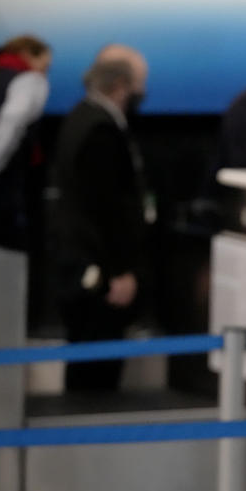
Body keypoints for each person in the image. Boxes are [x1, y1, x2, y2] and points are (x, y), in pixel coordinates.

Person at [51, 44, 151, 391]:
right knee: (96, 369)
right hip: (97, 268)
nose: (143, 92)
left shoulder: (82, 116)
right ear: (121, 84)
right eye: (140, 83)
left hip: (84, 263)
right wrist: (120, 271)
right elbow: (107, 208)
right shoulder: (100, 130)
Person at [0, 35, 51, 249]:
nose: (45, 73)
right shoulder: (30, 81)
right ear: (28, 55)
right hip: (1, 187)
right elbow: (11, 125)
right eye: (45, 66)